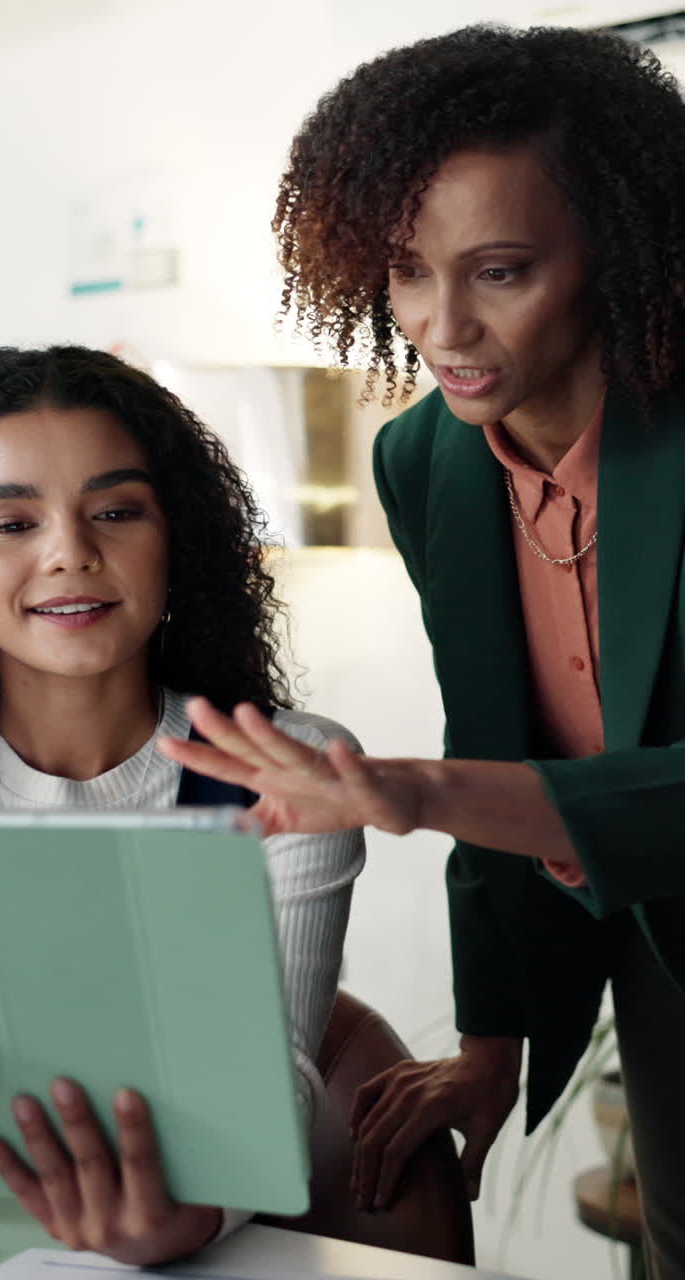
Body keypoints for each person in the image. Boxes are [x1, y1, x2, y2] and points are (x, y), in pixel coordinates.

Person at [157, 25, 685, 1279]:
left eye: (500, 271)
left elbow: (461, 778)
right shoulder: (425, 459)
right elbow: (490, 727)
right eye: (405, 270)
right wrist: (494, 1039)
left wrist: (422, 794)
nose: (443, 326)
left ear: (616, 248)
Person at [0, 344, 365, 1266]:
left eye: (114, 511)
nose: (70, 551)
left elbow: (280, 1077)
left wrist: (194, 1218)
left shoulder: (286, 767)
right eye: (10, 523)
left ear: (176, 537)